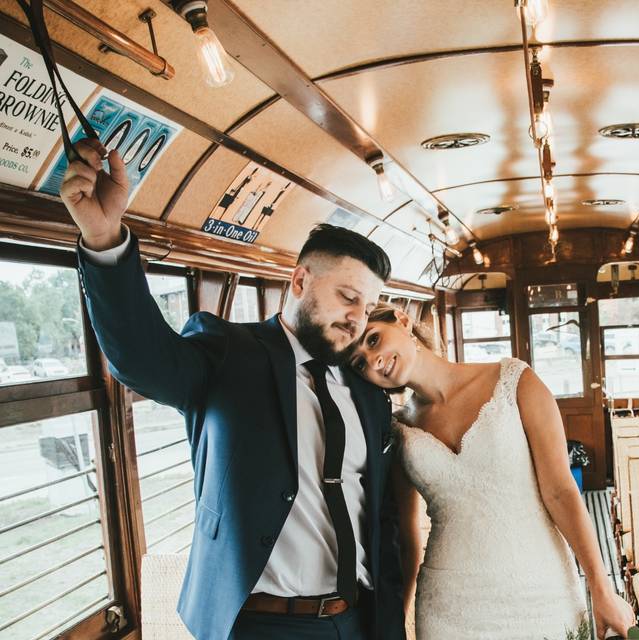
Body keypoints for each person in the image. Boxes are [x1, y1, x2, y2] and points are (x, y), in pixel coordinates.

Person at [59, 138, 404, 640]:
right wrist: (105, 237)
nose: (356, 317)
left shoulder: (367, 392)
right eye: (348, 297)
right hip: (258, 623)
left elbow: (380, 514)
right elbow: (143, 360)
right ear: (300, 281)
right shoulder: (228, 352)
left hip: (356, 621)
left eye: (368, 306)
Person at [349, 304, 637, 640]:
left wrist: (602, 589)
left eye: (372, 340)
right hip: (448, 607)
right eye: (358, 363)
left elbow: (561, 492)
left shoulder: (515, 382)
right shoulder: (399, 431)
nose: (372, 360)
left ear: (402, 320)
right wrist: (396, 621)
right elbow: (408, 537)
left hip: (542, 592)